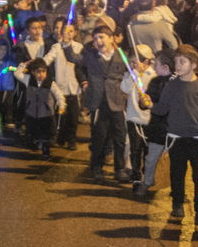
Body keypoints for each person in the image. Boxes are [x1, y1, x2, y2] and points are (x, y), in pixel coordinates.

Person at [151, 45, 198, 227]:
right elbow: (162, 109)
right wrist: (149, 104)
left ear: (194, 65)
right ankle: (177, 202)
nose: (177, 65)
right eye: (176, 62)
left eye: (182, 62)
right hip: (176, 139)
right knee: (177, 173)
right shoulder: (171, 86)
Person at [78, 26, 130, 182]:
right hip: (99, 103)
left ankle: (119, 169)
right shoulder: (91, 56)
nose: (98, 41)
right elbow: (74, 59)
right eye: (95, 39)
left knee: (119, 137)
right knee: (99, 137)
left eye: (101, 37)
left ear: (111, 38)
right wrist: (66, 43)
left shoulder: (122, 55)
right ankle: (96, 167)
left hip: (117, 102)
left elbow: (131, 71)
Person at [137, 50, 174, 198]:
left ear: (165, 67)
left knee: (176, 162)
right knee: (151, 158)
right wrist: (143, 102)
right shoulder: (155, 82)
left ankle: (177, 188)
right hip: (157, 128)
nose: (153, 67)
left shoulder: (178, 83)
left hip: (174, 129)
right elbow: (147, 102)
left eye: (156, 64)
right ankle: (147, 181)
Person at [120, 44, 156, 192]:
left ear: (146, 61)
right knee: (135, 149)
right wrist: (134, 73)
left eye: (135, 61)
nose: (132, 64)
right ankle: (136, 177)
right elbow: (124, 88)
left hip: (149, 120)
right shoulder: (130, 75)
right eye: (131, 61)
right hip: (133, 118)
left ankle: (147, 175)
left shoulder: (153, 75)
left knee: (149, 150)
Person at [44, 23, 84, 150]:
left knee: (73, 116)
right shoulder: (56, 47)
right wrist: (38, 64)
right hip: (60, 87)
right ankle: (59, 137)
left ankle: (71, 139)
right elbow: (47, 59)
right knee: (61, 114)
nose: (68, 34)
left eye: (71, 31)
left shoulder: (79, 47)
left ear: (75, 33)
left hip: (74, 87)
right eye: (65, 31)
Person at [20, 59, 64, 158]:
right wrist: (24, 64)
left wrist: (61, 104)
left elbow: (58, 94)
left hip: (46, 113)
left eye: (43, 71)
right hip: (32, 111)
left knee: (46, 132)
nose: (41, 74)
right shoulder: (28, 80)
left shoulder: (50, 83)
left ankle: (45, 149)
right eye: (38, 72)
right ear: (33, 72)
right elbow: (17, 74)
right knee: (33, 130)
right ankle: (35, 143)